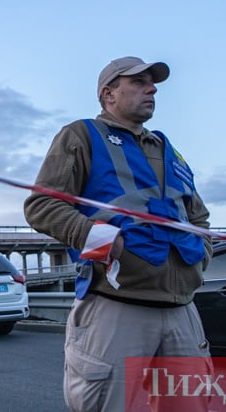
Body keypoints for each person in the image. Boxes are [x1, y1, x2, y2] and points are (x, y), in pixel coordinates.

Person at [24, 56, 212, 412]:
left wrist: (202, 254)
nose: (152, 88)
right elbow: (42, 207)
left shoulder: (170, 151)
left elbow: (198, 216)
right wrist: (107, 241)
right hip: (115, 308)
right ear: (109, 94)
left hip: (182, 312)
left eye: (151, 83)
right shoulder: (80, 136)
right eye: (139, 82)